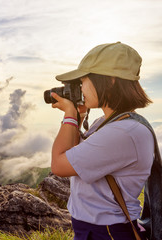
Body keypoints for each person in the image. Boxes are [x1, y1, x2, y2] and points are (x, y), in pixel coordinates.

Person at [50, 42, 154, 240]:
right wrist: (77, 119)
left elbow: (59, 165)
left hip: (107, 232)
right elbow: (75, 155)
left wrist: (70, 115)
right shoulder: (106, 123)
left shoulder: (124, 132)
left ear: (111, 80)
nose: (80, 88)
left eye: (84, 80)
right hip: (95, 229)